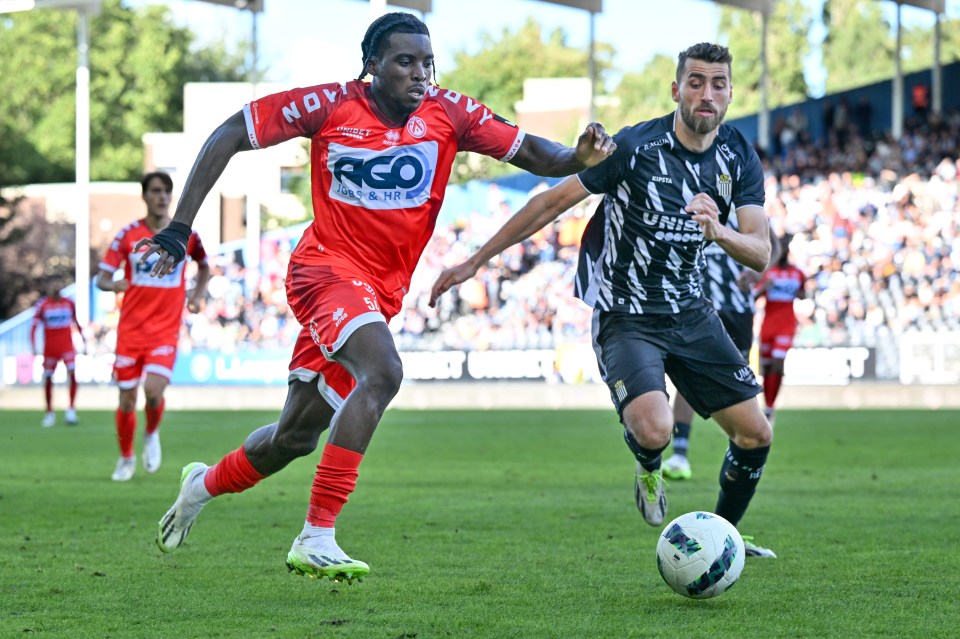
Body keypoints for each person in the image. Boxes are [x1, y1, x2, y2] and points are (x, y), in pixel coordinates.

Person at [138, 12, 615, 583]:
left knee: (293, 437)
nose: (420, 74)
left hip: (379, 294)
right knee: (384, 371)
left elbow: (537, 155)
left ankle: (202, 484)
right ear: (373, 65)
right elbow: (230, 133)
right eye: (405, 61)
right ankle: (316, 535)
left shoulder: (451, 113)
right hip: (324, 271)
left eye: (427, 63)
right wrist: (179, 226)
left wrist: (578, 156)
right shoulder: (330, 105)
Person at [431, 42, 777, 558]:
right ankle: (649, 465)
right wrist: (475, 262)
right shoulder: (636, 148)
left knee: (756, 435)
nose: (707, 94)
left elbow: (761, 252)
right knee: (655, 429)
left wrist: (719, 232)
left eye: (718, 84)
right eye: (697, 82)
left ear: (729, 93)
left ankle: (720, 538)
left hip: (691, 312)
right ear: (677, 89)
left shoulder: (737, 155)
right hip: (626, 317)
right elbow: (550, 201)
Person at [95, 171, 210, 482]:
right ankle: (126, 457)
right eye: (156, 191)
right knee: (126, 400)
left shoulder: (184, 235)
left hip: (165, 329)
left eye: (166, 191)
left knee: (154, 392)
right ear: (145, 196)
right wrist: (112, 284)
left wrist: (197, 295)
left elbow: (205, 265)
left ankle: (151, 433)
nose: (162, 197)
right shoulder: (128, 235)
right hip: (130, 332)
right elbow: (101, 277)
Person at [662, 224, 780, 481]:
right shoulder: (691, 200)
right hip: (698, 308)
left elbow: (774, 245)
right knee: (687, 377)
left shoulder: (743, 207)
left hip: (738, 310)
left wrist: (762, 272)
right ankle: (679, 454)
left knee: (740, 380)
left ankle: (742, 448)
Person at [755, 236, 806, 425]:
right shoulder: (769, 273)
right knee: (766, 366)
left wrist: (798, 294)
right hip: (768, 323)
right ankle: (767, 406)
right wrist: (764, 289)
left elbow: (803, 293)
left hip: (786, 324)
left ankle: (770, 406)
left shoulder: (797, 273)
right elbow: (753, 296)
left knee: (778, 362)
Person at [30, 285, 86, 427]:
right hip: (50, 348)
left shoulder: (69, 303)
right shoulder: (43, 305)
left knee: (73, 374)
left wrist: (83, 340)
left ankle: (71, 410)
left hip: (67, 346)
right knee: (48, 378)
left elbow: (77, 322)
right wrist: (34, 346)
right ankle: (49, 413)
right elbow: (34, 326)